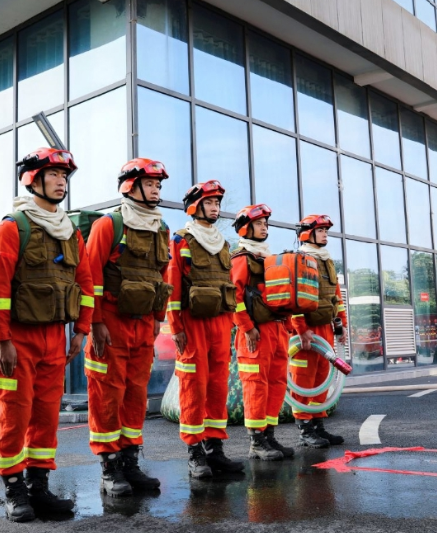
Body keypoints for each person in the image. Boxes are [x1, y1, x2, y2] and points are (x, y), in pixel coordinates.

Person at [0, 148, 94, 523]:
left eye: (65, 176)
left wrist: (81, 329)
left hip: (55, 339)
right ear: (32, 179)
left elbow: (85, 282)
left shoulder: (70, 233)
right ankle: (15, 490)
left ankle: (38, 487)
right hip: (18, 339)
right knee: (14, 417)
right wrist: (2, 341)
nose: (61, 181)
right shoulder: (10, 229)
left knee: (46, 416)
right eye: (54, 175)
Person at [85, 159, 171, 497]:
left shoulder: (161, 229)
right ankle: (109, 467)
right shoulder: (110, 225)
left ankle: (130, 462)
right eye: (150, 184)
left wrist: (158, 320)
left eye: (158, 185)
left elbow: (163, 277)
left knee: (135, 395)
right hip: (111, 324)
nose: (156, 190)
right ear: (129, 186)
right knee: (108, 395)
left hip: (143, 325)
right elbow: (90, 276)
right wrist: (94, 323)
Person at [166, 181, 244, 478]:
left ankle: (215, 449)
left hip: (220, 324)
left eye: (217, 204)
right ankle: (195, 452)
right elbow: (173, 283)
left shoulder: (223, 243)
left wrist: (235, 325)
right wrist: (175, 327)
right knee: (193, 387)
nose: (215, 208)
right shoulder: (182, 240)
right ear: (195, 206)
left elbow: (229, 288)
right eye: (210, 203)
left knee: (217, 387)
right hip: (192, 323)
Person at [231, 204, 293, 461]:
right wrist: (247, 327)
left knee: (277, 384)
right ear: (246, 228)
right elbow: (234, 297)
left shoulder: (269, 259)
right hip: (254, 334)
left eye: (266, 223)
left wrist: (288, 326)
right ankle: (256, 441)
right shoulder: (241, 259)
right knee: (256, 386)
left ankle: (269, 436)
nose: (265, 227)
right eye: (259, 223)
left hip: (277, 330)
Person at [290, 215, 347, 448]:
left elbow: (336, 297)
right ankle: (305, 431)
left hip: (324, 330)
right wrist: (301, 330)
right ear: (307, 233)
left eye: (326, 230)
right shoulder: (299, 260)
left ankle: (318, 427)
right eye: (321, 230)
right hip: (306, 333)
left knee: (322, 378)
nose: (325, 234)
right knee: (304, 381)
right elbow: (293, 299)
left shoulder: (327, 261)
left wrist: (340, 323)